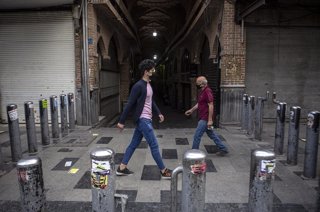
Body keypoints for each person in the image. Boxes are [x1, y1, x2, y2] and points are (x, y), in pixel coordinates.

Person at [116, 59, 172, 179]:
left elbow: (150, 101)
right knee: (154, 145)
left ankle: (121, 168)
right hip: (143, 119)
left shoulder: (148, 85)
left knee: (133, 144)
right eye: (151, 69)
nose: (153, 70)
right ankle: (164, 171)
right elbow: (130, 103)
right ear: (146, 71)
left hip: (147, 119)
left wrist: (158, 113)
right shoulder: (138, 86)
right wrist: (121, 121)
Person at [185, 76, 229, 155]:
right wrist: (191, 110)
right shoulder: (202, 91)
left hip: (205, 118)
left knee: (197, 135)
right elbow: (200, 103)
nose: (196, 84)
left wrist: (210, 120)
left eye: (197, 83)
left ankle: (194, 153)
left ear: (202, 84)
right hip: (202, 117)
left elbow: (211, 105)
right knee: (211, 134)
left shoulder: (207, 91)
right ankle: (223, 148)